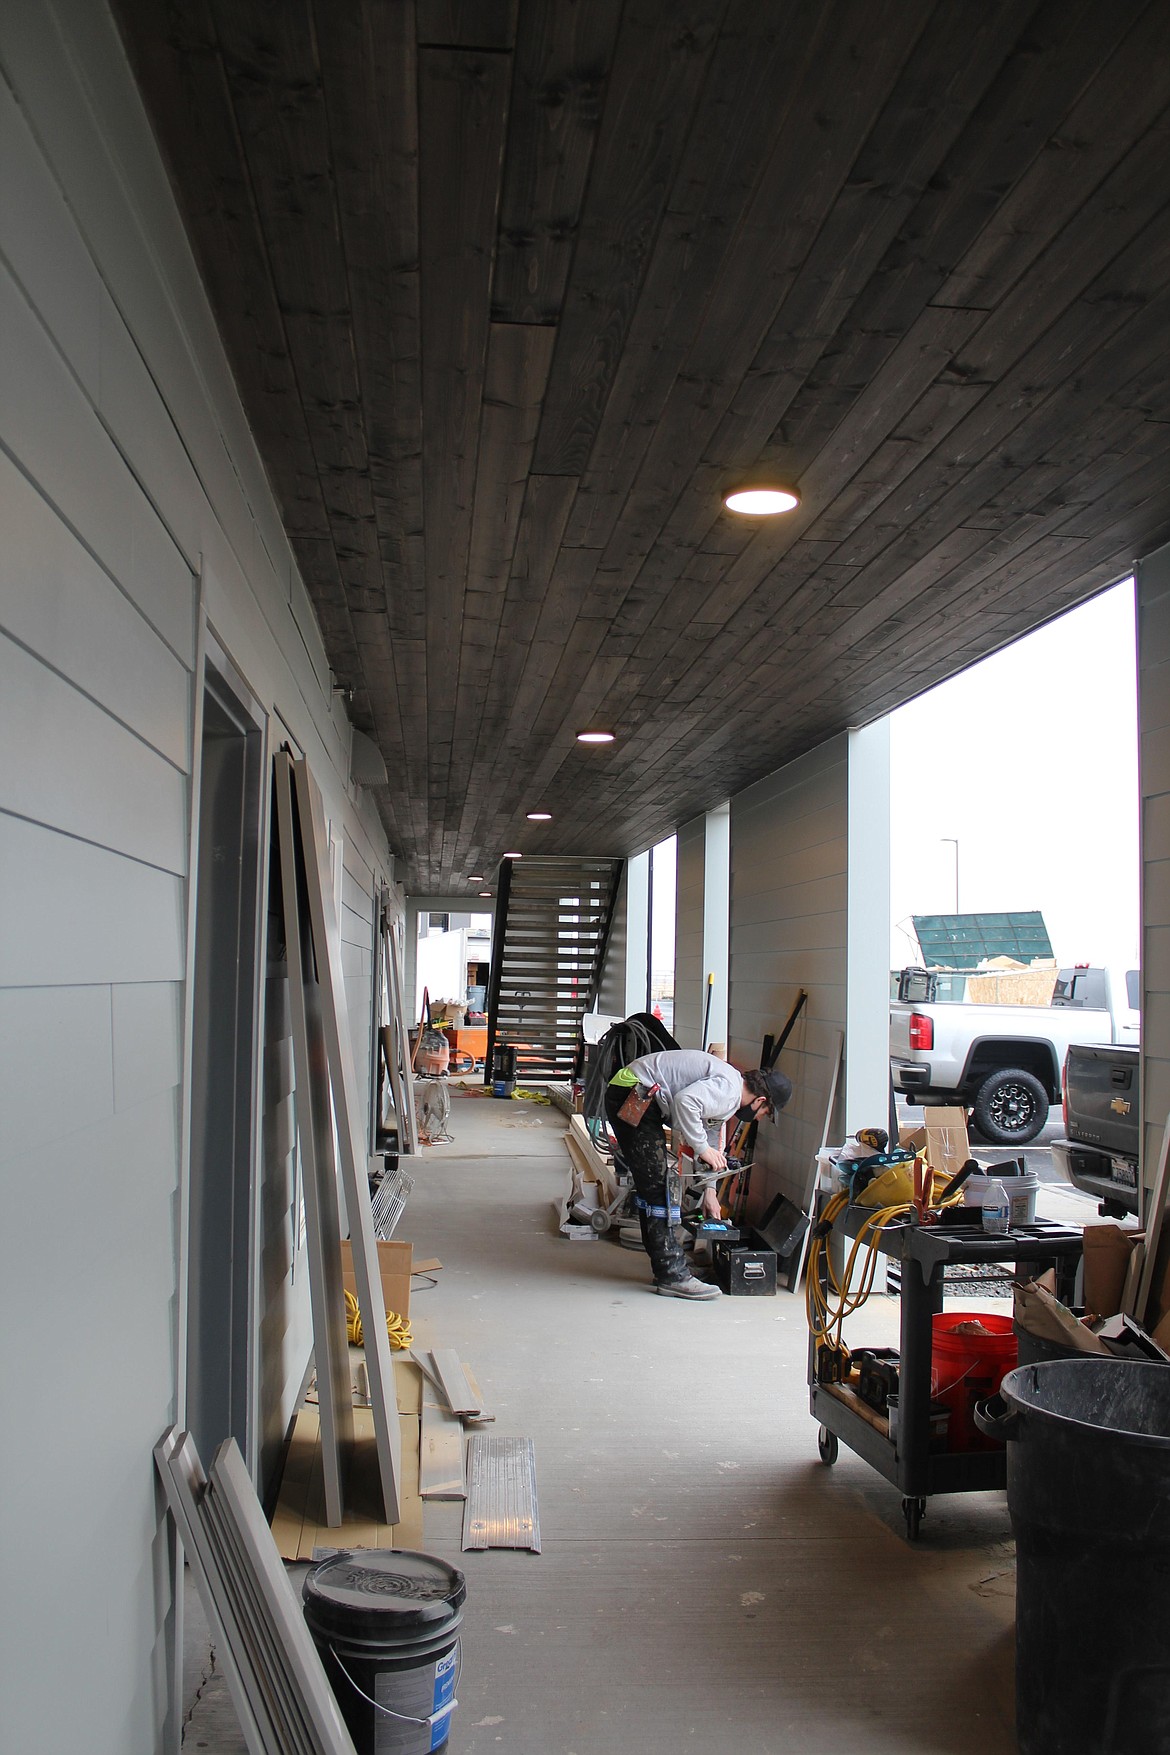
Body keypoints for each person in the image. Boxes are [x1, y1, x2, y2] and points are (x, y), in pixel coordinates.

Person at [604, 1049, 793, 1300]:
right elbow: (686, 1102)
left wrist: (711, 1192)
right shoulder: (728, 1091)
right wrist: (701, 1148)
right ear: (760, 1101)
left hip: (633, 1090)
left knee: (653, 1185)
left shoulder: (728, 1090)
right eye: (765, 1113)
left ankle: (669, 1266)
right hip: (635, 1093)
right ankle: (672, 1274)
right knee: (659, 1188)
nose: (758, 1118)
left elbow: (710, 1138)